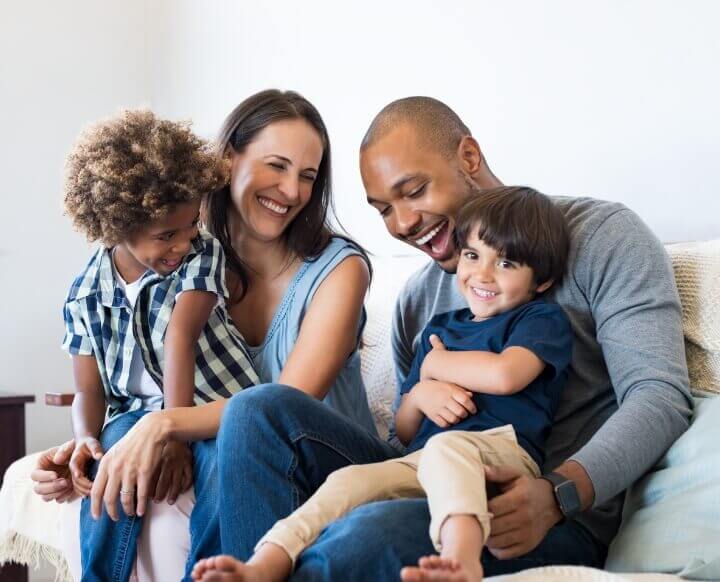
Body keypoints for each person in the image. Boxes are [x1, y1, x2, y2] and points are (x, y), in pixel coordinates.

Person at [197, 96, 692, 581]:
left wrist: (559, 493)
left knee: (365, 536)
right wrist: (419, 395)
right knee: (256, 409)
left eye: (413, 191)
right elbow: (407, 440)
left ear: (469, 159)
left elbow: (659, 396)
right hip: (427, 474)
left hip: (538, 509)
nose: (404, 224)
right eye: (383, 210)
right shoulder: (418, 299)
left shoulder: (602, 236)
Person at [31, 90, 377, 582]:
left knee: (244, 423)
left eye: (307, 175)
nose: (293, 190)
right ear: (228, 158)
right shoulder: (180, 251)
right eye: (276, 165)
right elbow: (126, 373)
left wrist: (165, 424)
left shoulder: (338, 270)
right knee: (129, 441)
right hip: (229, 441)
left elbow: (284, 406)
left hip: (323, 457)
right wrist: (89, 446)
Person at [191, 186, 573, 582]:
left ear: (541, 280)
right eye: (473, 255)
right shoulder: (440, 328)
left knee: (448, 446)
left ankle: (462, 560)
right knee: (348, 481)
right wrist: (422, 391)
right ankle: (264, 564)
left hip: (501, 456)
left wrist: (437, 365)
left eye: (506, 263)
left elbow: (506, 375)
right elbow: (405, 429)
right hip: (421, 461)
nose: (482, 274)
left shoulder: (537, 319)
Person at [59, 109, 258, 582]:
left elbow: (180, 337)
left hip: (214, 404)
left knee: (220, 467)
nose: (182, 243)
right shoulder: (85, 293)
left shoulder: (201, 252)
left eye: (190, 226)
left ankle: (209, 574)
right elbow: (89, 391)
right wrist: (87, 436)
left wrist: (174, 432)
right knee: (112, 460)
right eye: (166, 235)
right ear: (115, 226)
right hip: (134, 414)